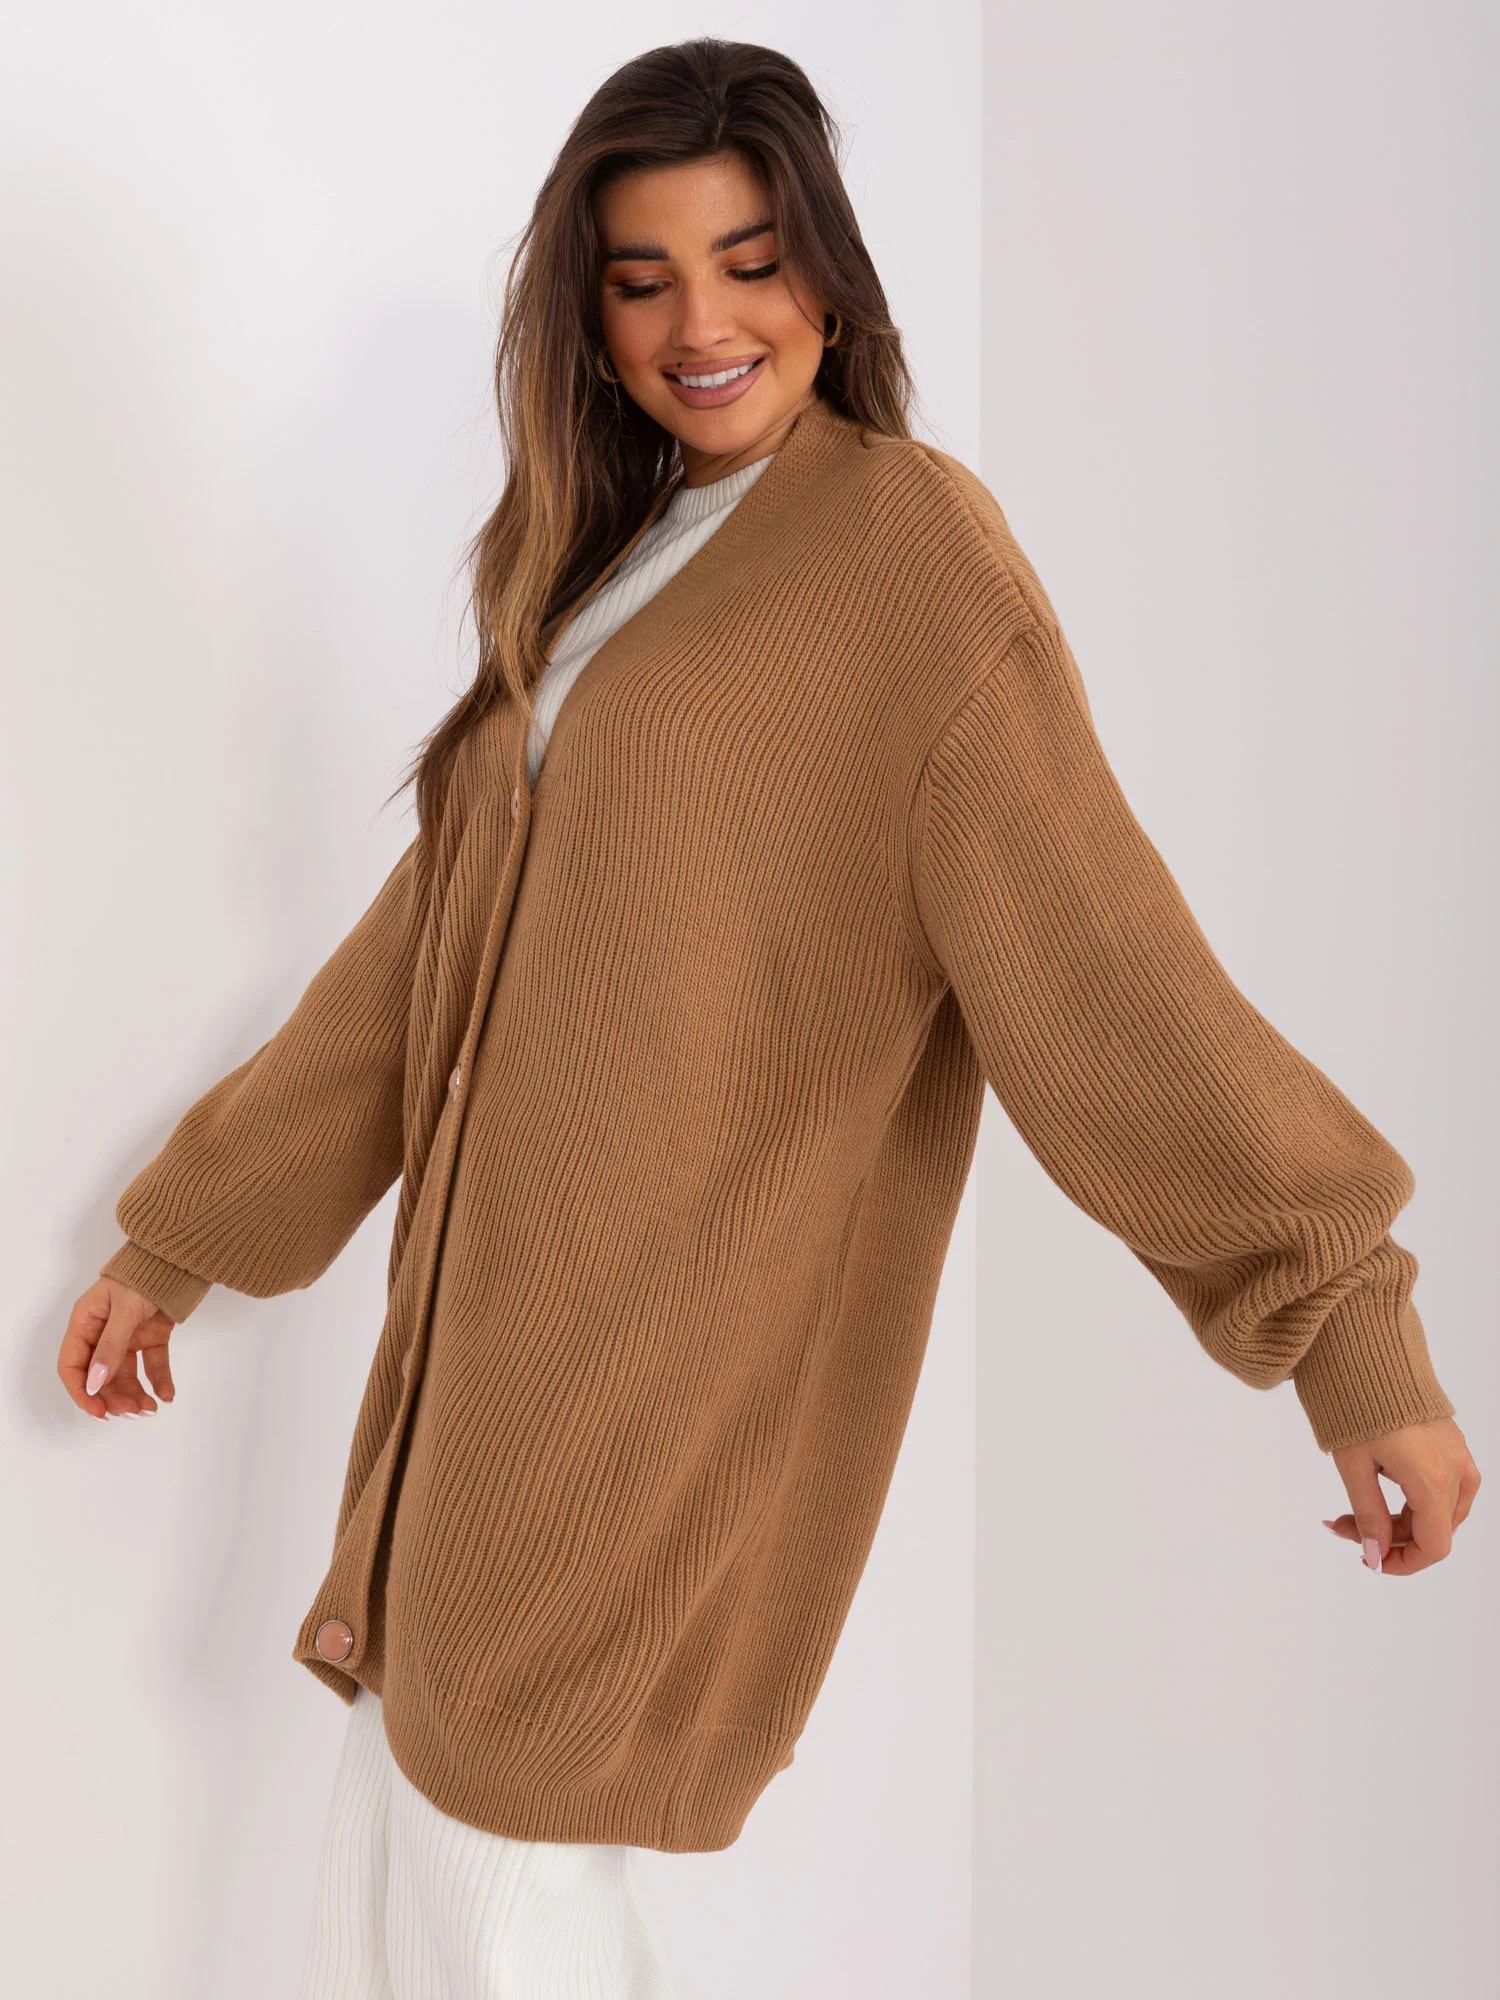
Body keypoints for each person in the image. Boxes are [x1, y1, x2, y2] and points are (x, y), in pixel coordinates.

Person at [57, 35, 1479, 2000]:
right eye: (642, 280)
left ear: (830, 272)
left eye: (751, 262)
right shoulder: (609, 560)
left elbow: (1109, 970)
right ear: (585, 313)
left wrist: (1348, 1330)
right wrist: (185, 1236)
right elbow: (422, 956)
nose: (702, 326)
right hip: (484, 1376)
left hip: (664, 1380)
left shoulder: (909, 556)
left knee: (497, 1879)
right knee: (415, 1871)